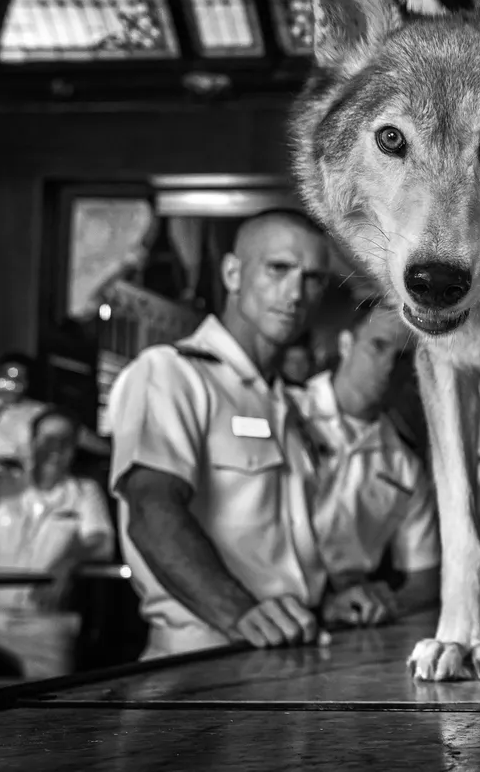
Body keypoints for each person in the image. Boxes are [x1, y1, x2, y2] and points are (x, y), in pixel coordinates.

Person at [108, 209, 336, 658]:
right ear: (233, 273)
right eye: (278, 269)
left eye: (313, 279)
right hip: (204, 653)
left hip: (291, 649)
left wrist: (333, 598)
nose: (295, 294)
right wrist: (238, 613)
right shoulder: (171, 373)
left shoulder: (287, 403)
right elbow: (151, 512)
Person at [288, 304, 439, 626]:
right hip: (270, 608)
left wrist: (378, 604)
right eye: (378, 346)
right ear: (345, 344)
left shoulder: (404, 465)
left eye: (401, 357)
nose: (387, 365)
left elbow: (425, 579)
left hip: (349, 624)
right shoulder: (284, 412)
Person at [0, 404, 114, 678]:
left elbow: (101, 541)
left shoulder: (83, 491)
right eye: (47, 438)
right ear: (31, 443)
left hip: (44, 625)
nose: (56, 447)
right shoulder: (2, 482)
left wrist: (69, 560)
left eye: (65, 441)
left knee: (48, 711)